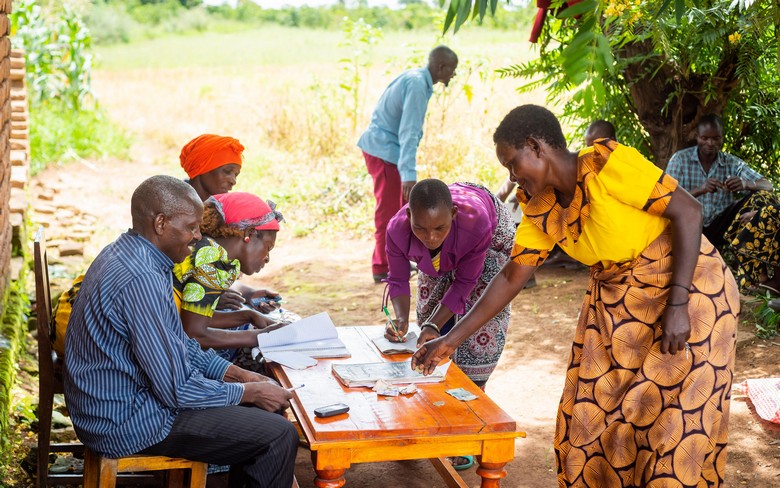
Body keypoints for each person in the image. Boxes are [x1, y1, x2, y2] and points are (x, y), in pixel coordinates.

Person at [412, 105, 739, 487]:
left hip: (692, 292)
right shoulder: (540, 205)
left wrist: (679, 303)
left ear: (535, 146)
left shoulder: (606, 164)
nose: (512, 176)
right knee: (595, 417)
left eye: (512, 163)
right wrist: (450, 340)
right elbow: (512, 275)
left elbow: (688, 211)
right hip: (620, 303)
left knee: (674, 428)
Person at [63, 176, 298, 487]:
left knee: (261, 416)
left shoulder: (134, 254)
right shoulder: (141, 279)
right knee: (278, 434)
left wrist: (239, 376)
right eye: (191, 227)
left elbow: (180, 343)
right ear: (161, 223)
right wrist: (249, 392)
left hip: (118, 403)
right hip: (126, 421)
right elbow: (177, 389)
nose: (197, 236)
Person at [384, 179, 514, 388]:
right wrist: (400, 319)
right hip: (453, 242)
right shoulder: (397, 229)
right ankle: (438, 384)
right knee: (430, 312)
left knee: (478, 313)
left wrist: (433, 324)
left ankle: (472, 389)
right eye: (420, 228)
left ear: (453, 215)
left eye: (439, 228)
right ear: (409, 216)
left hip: (491, 239)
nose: (431, 237)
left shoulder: (475, 223)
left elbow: (465, 282)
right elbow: (398, 278)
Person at [358, 46, 459, 283]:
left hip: (386, 150)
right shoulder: (416, 85)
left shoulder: (416, 79)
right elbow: (408, 133)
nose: (453, 75)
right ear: (441, 67)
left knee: (402, 208)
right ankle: (382, 267)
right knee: (390, 212)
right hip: (385, 152)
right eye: (451, 70)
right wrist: (408, 174)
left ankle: (399, 262)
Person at [666, 114, 779, 291]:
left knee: (762, 198)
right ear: (697, 137)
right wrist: (700, 189)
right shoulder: (680, 160)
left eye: (715, 138)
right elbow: (666, 198)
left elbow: (768, 185)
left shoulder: (730, 162)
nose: (710, 143)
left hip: (722, 227)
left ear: (722, 139)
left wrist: (745, 184)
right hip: (690, 227)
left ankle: (760, 276)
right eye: (705, 138)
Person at [174, 191, 286, 362]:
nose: (267, 259)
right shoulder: (212, 260)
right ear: (249, 234)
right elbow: (194, 333)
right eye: (268, 248)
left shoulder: (210, 250)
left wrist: (249, 316)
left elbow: (196, 317)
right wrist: (260, 336)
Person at [180, 133, 244, 201]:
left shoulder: (221, 208)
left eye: (236, 175)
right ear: (202, 168)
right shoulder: (172, 205)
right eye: (227, 171)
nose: (233, 181)